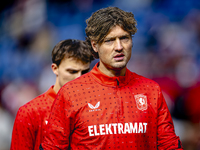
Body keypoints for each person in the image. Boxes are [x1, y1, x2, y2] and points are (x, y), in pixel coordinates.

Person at [40, 7, 183, 149]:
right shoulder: (71, 93)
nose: (119, 47)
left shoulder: (151, 90)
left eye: (124, 38)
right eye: (109, 40)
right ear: (95, 46)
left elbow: (169, 145)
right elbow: (53, 147)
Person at [10, 39, 94, 150]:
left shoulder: (97, 109)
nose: (79, 78)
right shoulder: (30, 113)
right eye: (72, 72)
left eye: (84, 72)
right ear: (55, 69)